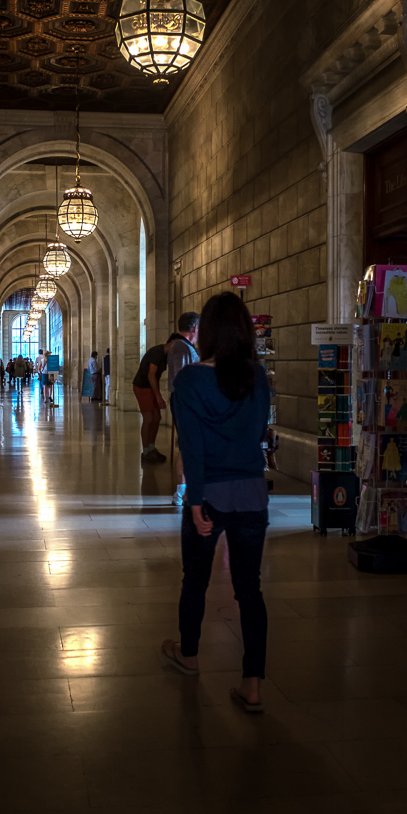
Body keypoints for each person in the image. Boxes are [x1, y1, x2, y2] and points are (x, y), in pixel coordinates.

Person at [161, 292, 270, 713]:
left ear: (204, 332)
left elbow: (191, 446)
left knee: (195, 580)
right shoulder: (257, 376)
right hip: (252, 494)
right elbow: (257, 432)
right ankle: (252, 684)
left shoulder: (190, 381)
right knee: (249, 589)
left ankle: (189, 654)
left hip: (210, 494)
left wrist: (194, 501)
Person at [168, 311, 200, 505]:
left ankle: (184, 489)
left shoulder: (183, 346)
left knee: (188, 445)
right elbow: (181, 378)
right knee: (187, 445)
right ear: (195, 328)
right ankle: (180, 491)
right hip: (185, 401)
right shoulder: (181, 347)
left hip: (185, 400)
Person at [132, 336, 177, 463]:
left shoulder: (166, 356)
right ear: (172, 342)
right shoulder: (157, 352)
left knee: (157, 417)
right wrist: (158, 396)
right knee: (149, 418)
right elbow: (151, 375)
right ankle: (146, 451)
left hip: (150, 387)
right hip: (142, 386)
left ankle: (151, 447)